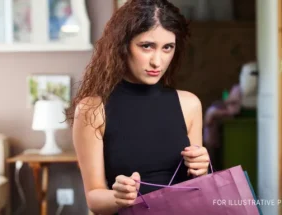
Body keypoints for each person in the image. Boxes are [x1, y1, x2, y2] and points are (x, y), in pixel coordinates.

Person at [67, 0, 210, 214]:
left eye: (167, 48)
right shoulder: (92, 109)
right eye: (147, 46)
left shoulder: (189, 104)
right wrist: (118, 197)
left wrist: (201, 169)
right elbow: (94, 198)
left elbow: (197, 187)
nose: (157, 61)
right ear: (122, 45)